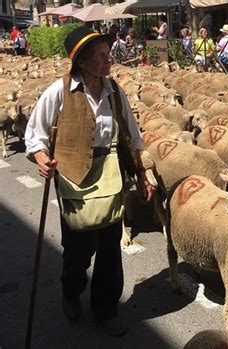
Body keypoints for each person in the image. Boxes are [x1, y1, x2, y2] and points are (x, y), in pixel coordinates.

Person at [24, 26, 152, 336]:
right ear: (82, 61)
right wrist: (42, 159)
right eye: (102, 56)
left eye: (109, 54)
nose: (110, 60)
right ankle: (72, 291)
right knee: (78, 246)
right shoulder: (59, 90)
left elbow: (131, 136)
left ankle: (105, 309)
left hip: (108, 170)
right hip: (72, 173)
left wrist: (141, 174)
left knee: (110, 247)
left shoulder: (114, 92)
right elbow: (35, 135)